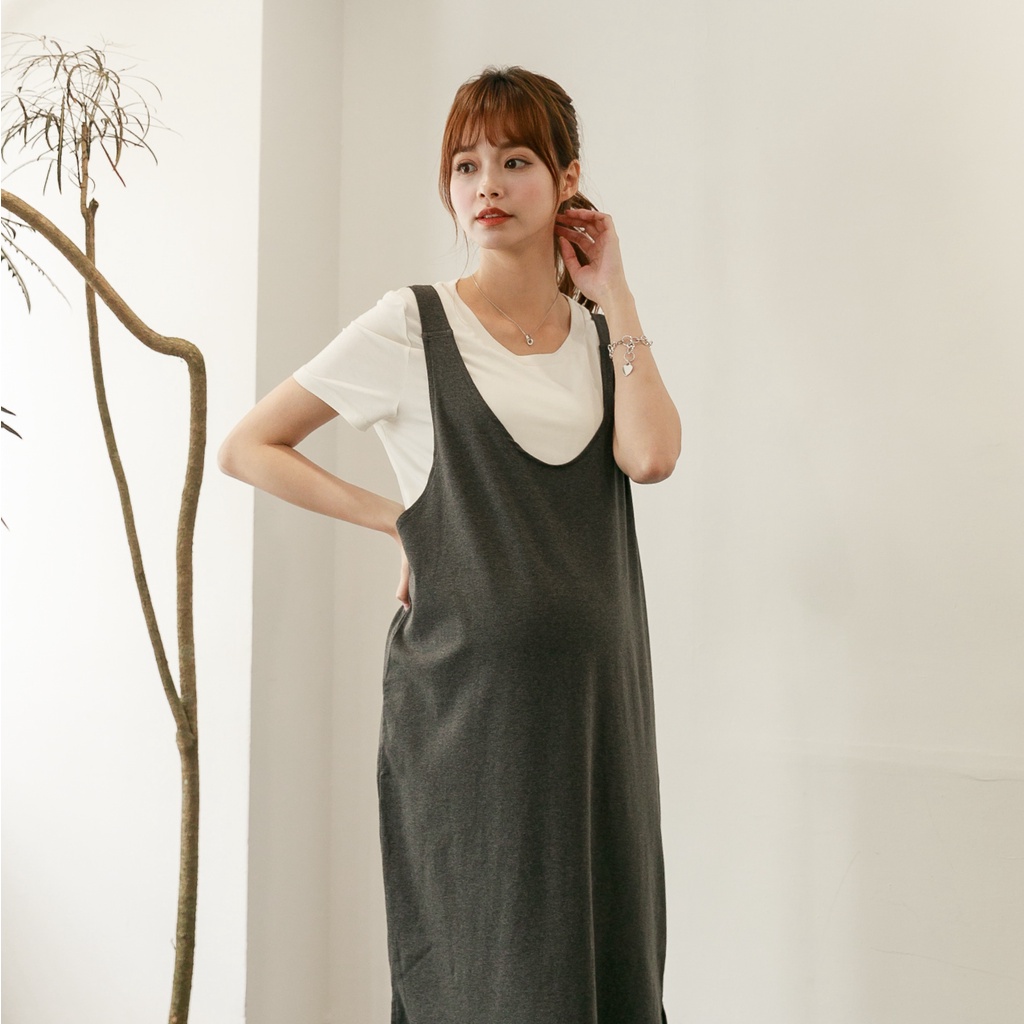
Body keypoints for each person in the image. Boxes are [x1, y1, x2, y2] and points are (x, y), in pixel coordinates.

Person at [220, 65, 680, 1024]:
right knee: (490, 980)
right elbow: (249, 446)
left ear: (566, 179)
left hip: (597, 714)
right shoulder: (410, 326)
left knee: (610, 972)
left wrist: (618, 293)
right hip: (471, 722)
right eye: (466, 165)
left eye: (515, 161)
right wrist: (399, 517)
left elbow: (651, 458)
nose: (487, 185)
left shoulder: (599, 336)